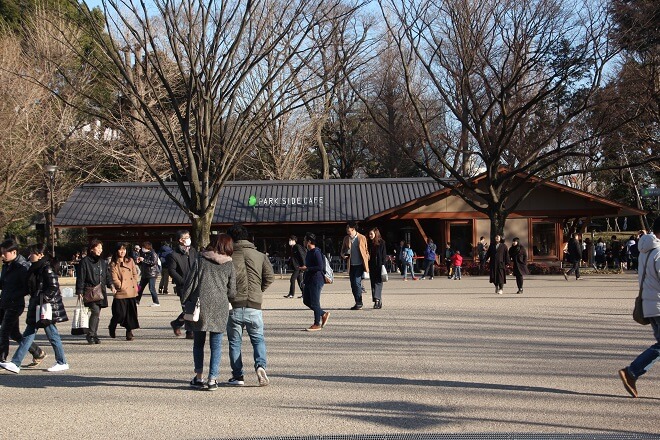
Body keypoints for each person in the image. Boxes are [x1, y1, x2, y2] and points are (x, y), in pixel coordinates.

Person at [0, 244, 68, 373]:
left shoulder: (46, 268)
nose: (29, 256)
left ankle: (61, 361)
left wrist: (42, 298)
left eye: (32, 253)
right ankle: (16, 363)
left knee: (50, 335)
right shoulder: (35, 268)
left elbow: (53, 287)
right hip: (37, 305)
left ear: (41, 255)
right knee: (30, 335)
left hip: (46, 307)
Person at [181, 234, 237, 390]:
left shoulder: (201, 261)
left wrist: (185, 301)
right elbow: (232, 291)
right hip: (220, 306)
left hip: (201, 306)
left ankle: (199, 377)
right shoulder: (229, 265)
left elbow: (190, 283)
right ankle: (213, 379)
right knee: (216, 345)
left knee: (198, 344)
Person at [226, 224, 274, 387]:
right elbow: (269, 276)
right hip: (254, 304)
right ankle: (260, 366)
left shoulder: (228, 256)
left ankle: (238, 375)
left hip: (234, 304)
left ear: (231, 239)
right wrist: (258, 291)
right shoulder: (260, 255)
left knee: (234, 342)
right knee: (258, 339)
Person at [618, 218, 660, 398]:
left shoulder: (645, 250)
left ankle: (632, 372)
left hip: (650, 304)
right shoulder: (659, 252)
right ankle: (632, 371)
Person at [0, 240, 46, 366]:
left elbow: (27, 287)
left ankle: (2, 359)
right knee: (13, 333)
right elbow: (3, 284)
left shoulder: (22, 266)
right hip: (4, 302)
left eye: (4, 253)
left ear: (13, 252)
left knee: (3, 331)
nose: (2, 255)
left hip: (15, 304)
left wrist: (13, 296)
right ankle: (37, 352)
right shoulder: (6, 265)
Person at [75, 239, 114, 344]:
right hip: (90, 290)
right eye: (98, 247)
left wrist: (111, 285)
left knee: (97, 313)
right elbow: (81, 277)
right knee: (95, 311)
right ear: (92, 248)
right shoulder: (85, 262)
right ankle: (91, 334)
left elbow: (107, 275)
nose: (100, 250)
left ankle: (94, 334)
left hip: (100, 291)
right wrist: (79, 291)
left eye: (101, 248)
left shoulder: (102, 262)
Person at [168, 230, 198, 338]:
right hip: (183, 285)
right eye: (186, 237)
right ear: (181, 240)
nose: (189, 238)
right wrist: (182, 281)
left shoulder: (193, 251)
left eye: (189, 236)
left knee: (195, 307)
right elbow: (172, 270)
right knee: (187, 308)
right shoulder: (174, 255)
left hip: (195, 284)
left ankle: (177, 323)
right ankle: (190, 331)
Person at [109, 243, 140, 341]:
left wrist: (134, 283)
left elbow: (135, 273)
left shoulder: (130, 260)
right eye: (121, 249)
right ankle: (112, 325)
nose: (123, 252)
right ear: (116, 251)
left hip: (130, 290)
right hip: (121, 291)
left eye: (124, 249)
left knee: (131, 313)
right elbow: (114, 277)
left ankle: (129, 331)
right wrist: (120, 286)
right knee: (119, 313)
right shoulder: (113, 263)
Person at [299, 233, 329, 331]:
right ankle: (323, 314)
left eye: (304, 240)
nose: (303, 242)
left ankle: (317, 323)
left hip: (316, 279)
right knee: (306, 301)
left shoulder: (316, 252)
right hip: (309, 279)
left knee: (315, 302)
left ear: (309, 241)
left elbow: (320, 267)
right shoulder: (309, 252)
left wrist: (307, 268)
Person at [340, 221, 370, 310]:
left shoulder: (362, 237)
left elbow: (366, 249)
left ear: (353, 228)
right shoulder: (346, 238)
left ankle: (359, 302)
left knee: (357, 283)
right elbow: (342, 250)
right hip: (351, 264)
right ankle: (357, 301)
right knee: (353, 284)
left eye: (347, 227)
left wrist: (367, 257)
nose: (346, 229)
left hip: (360, 264)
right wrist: (343, 255)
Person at [367, 228, 387, 309]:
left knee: (378, 283)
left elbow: (384, 255)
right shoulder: (369, 243)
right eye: (369, 234)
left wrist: (383, 264)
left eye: (371, 234)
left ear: (375, 234)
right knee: (373, 284)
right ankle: (377, 300)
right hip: (372, 266)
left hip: (379, 266)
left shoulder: (381, 243)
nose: (370, 235)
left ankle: (377, 300)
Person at [136, 241, 160, 306]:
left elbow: (153, 262)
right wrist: (139, 261)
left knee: (151, 288)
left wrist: (144, 260)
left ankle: (156, 302)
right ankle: (136, 301)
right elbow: (143, 263)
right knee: (139, 288)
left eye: (143, 247)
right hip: (144, 274)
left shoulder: (153, 254)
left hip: (152, 274)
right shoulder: (144, 254)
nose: (142, 248)